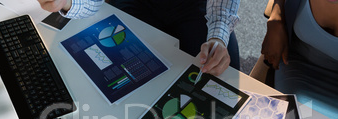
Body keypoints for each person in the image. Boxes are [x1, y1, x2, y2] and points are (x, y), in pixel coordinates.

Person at [37, 0, 241, 76]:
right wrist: (67, 3)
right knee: (128, 74)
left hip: (195, 6)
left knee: (221, 74)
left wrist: (219, 35)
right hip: (133, 3)